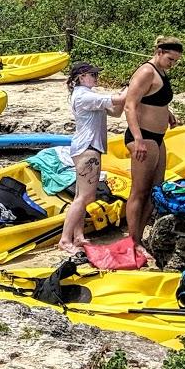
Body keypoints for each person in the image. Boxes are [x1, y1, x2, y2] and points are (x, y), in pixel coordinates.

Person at [123, 36, 184, 253]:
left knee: (155, 191)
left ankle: (139, 236)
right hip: (142, 136)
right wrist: (138, 139)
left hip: (158, 137)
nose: (172, 64)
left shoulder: (161, 72)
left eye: (175, 61)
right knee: (139, 191)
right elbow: (130, 106)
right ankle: (133, 242)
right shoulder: (146, 71)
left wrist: (166, 112)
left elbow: (153, 98)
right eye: (170, 59)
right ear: (159, 52)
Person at [59, 63, 125, 254]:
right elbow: (121, 98)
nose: (96, 77)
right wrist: (134, 83)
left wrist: (125, 90)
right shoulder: (84, 95)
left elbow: (117, 110)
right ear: (81, 77)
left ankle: (78, 236)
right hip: (87, 148)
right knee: (86, 197)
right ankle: (65, 239)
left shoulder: (91, 97)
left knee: (82, 196)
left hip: (86, 147)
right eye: (93, 74)